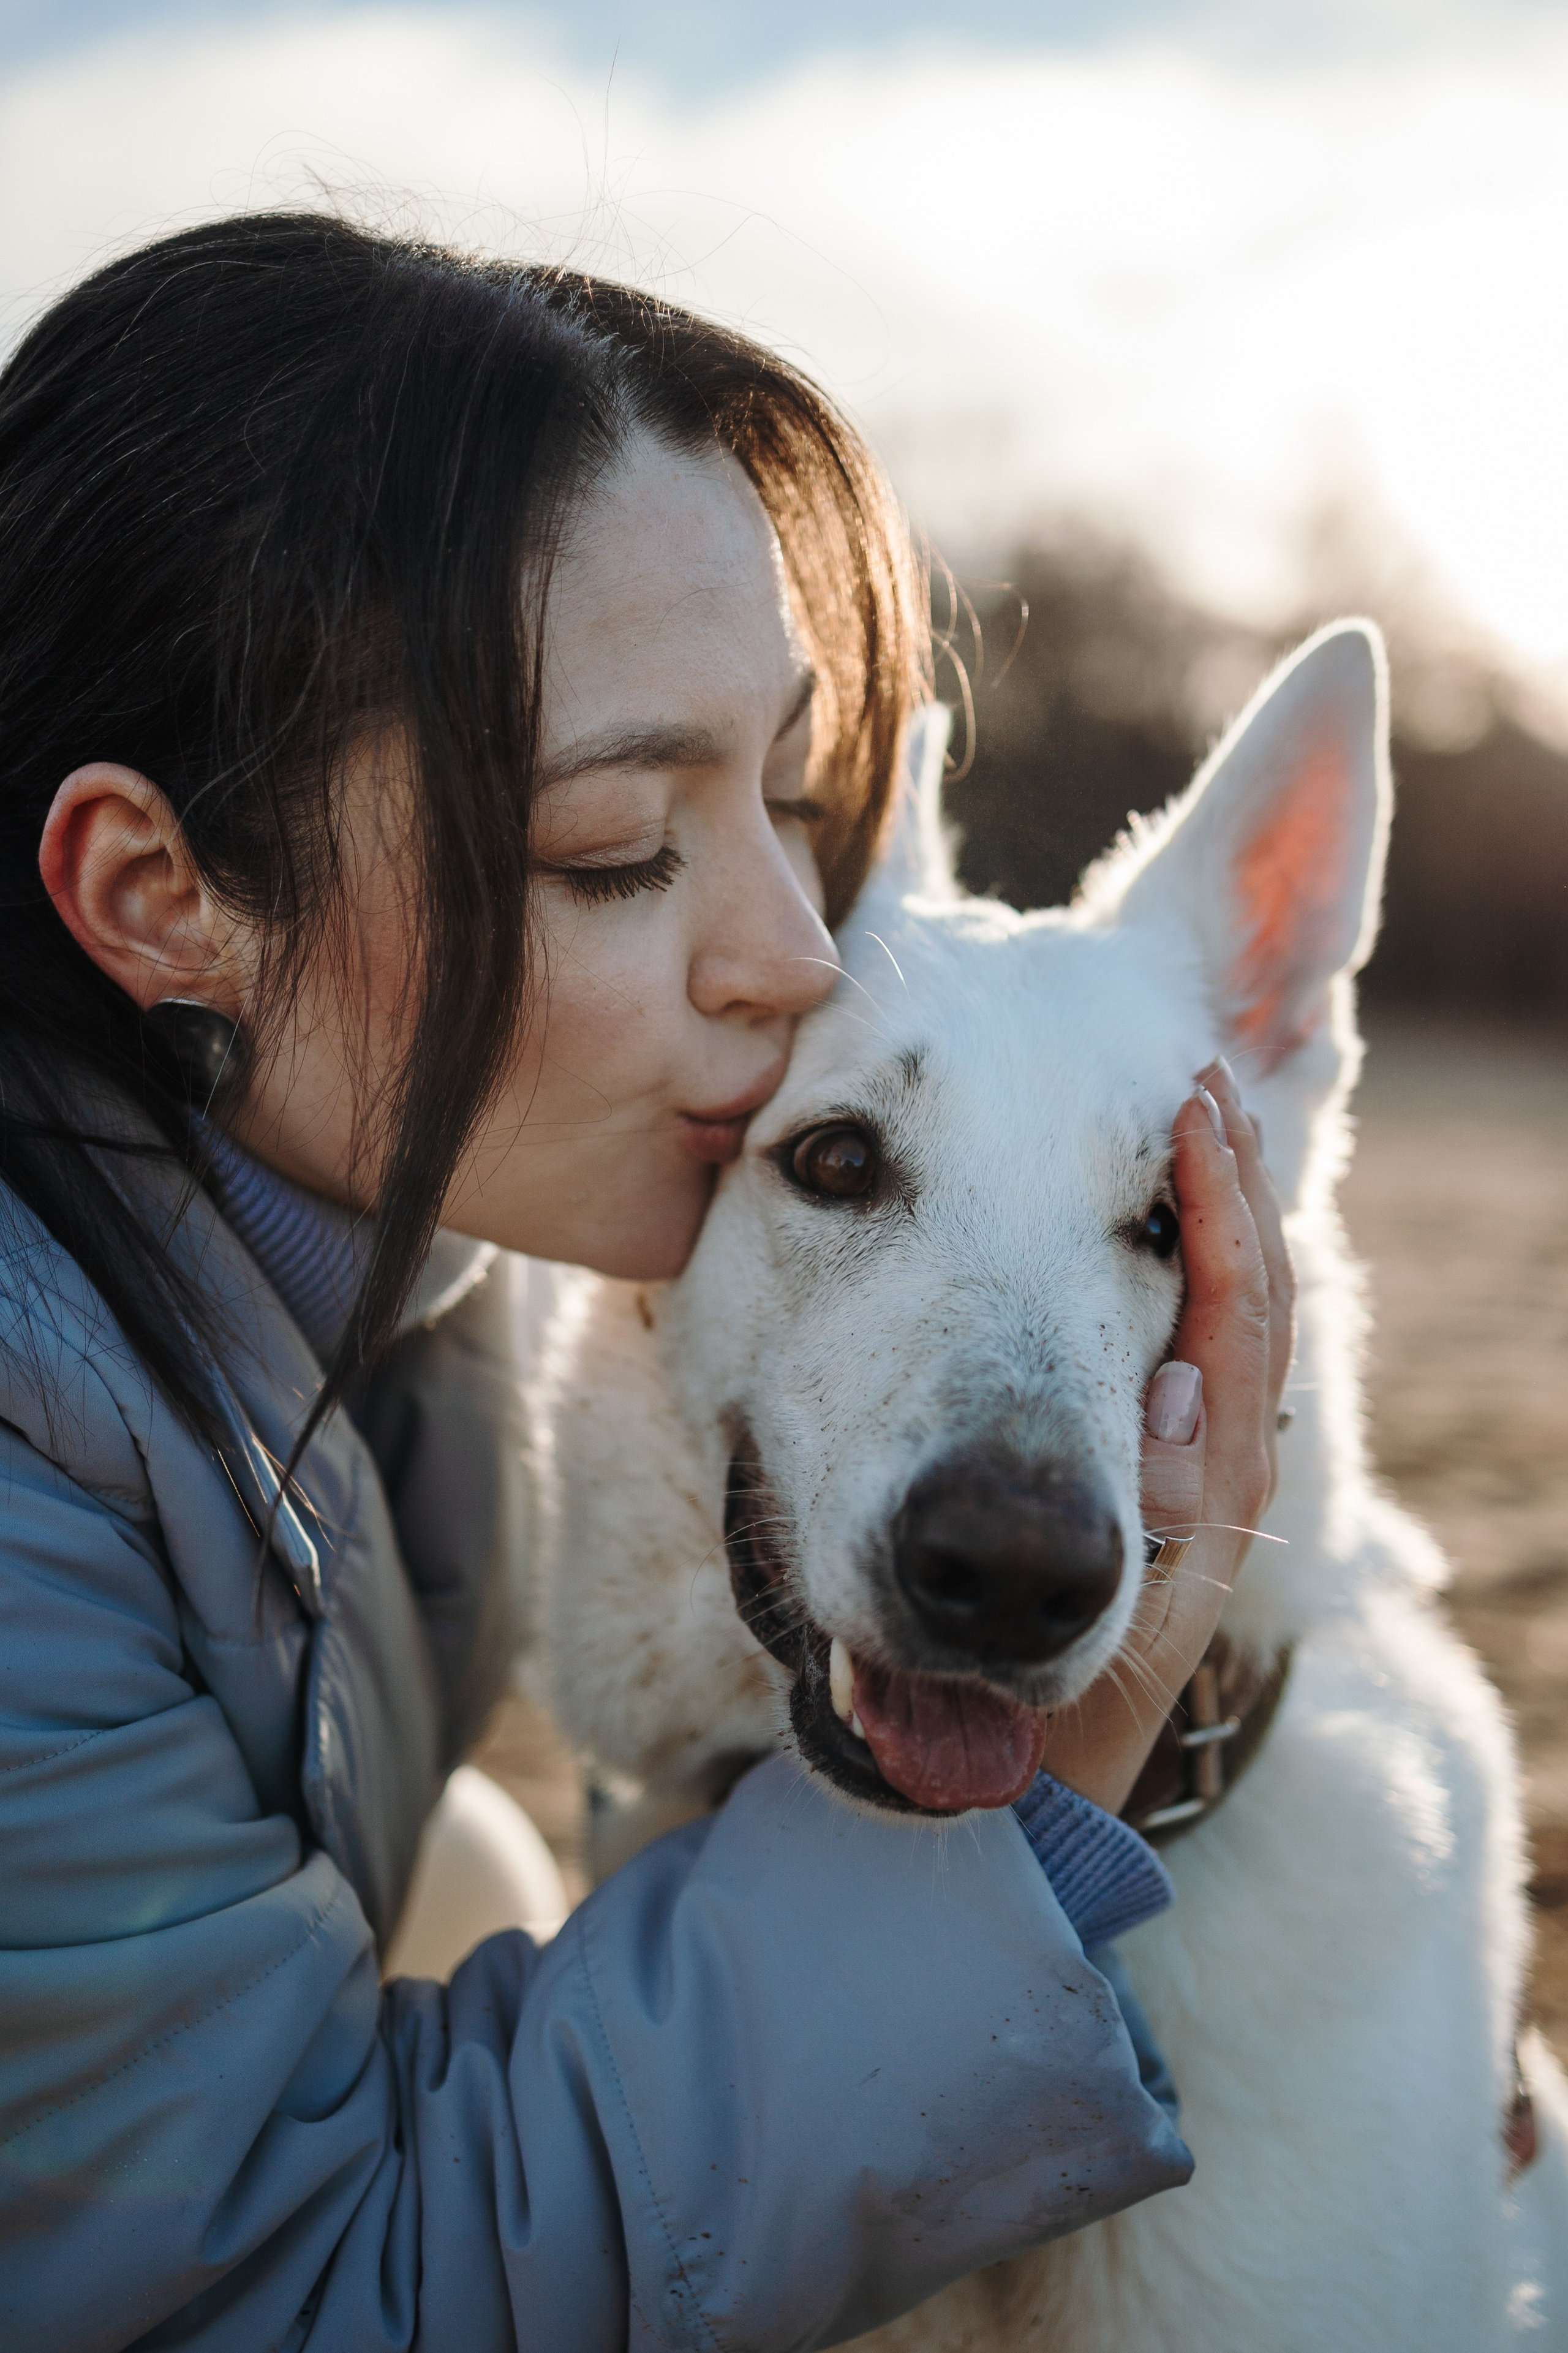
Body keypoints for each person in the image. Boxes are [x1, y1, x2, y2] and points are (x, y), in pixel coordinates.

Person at [0, 213, 1291, 2352]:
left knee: (473, 1871)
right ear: (158, 896)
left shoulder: (403, 1271)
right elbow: (283, 2296)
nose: (793, 951)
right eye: (619, 848)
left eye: (789, 796)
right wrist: (1063, 1785)